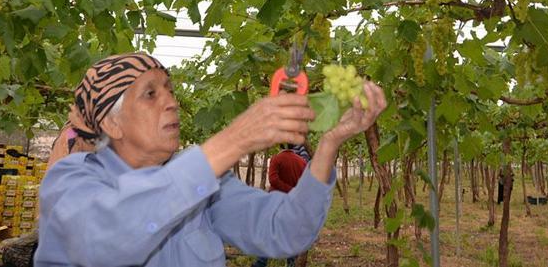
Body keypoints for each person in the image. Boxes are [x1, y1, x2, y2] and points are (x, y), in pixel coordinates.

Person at [35, 53, 387, 267]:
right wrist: (236, 138)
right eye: (150, 94)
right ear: (112, 123)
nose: (171, 101)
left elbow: (286, 231)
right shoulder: (70, 183)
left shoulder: (206, 189)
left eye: (170, 89)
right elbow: (113, 230)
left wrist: (330, 142)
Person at [252, 144, 310, 267]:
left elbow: (273, 180)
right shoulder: (302, 162)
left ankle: (261, 263)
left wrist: (287, 190)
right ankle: (291, 263)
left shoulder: (276, 159)